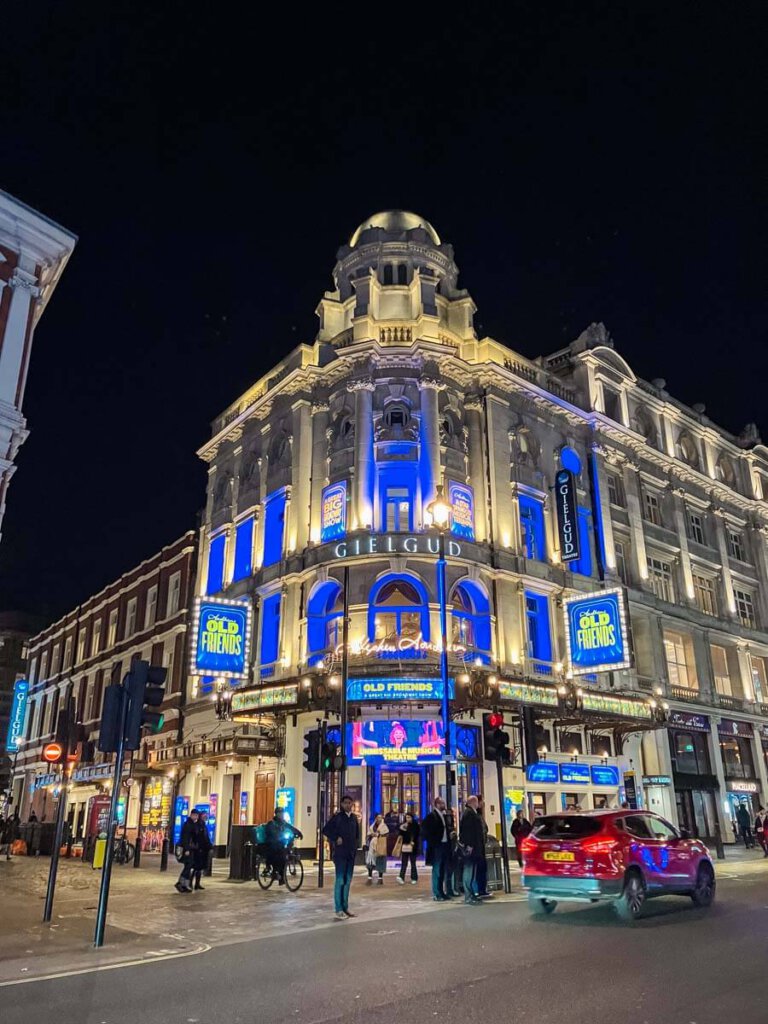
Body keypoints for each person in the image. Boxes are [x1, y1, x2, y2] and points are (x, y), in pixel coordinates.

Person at [323, 794, 361, 920]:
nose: (348, 805)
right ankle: (338, 908)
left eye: (350, 803)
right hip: (340, 854)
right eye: (345, 803)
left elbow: (357, 835)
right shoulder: (337, 817)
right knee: (340, 880)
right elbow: (326, 830)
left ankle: (345, 907)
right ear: (341, 804)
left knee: (348, 880)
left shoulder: (354, 818)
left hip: (350, 853)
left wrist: (356, 847)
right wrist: (335, 838)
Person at [422, 797, 456, 901]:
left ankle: (442, 892)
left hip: (444, 845)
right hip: (437, 846)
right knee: (437, 870)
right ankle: (437, 893)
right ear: (437, 804)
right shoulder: (431, 816)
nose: (444, 805)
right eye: (442, 803)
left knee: (442, 870)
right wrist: (433, 840)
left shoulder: (443, 816)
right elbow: (425, 831)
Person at [263, 807, 302, 885]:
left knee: (284, 857)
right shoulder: (271, 823)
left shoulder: (283, 823)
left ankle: (281, 877)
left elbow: (290, 827)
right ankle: (274, 872)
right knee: (278, 856)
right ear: (276, 814)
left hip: (280, 844)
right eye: (280, 813)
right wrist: (276, 836)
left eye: (282, 813)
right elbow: (270, 833)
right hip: (271, 844)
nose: (281, 815)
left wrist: (298, 833)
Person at [459, 796, 485, 906]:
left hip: (475, 847)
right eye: (478, 802)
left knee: (472, 870)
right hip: (471, 848)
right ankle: (468, 895)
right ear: (473, 802)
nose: (480, 803)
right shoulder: (469, 814)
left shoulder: (472, 813)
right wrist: (469, 845)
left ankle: (472, 894)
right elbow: (467, 831)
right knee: (468, 871)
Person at [175, 808, 201, 893]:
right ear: (191, 815)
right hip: (188, 849)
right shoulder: (188, 825)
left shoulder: (193, 824)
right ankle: (181, 883)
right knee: (188, 865)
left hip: (192, 849)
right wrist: (186, 849)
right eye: (195, 815)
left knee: (189, 866)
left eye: (197, 815)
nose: (196, 817)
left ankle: (184, 884)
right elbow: (185, 838)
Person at [473, 796, 491, 898]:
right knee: (479, 869)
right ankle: (479, 890)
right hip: (478, 846)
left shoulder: (479, 815)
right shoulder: (475, 815)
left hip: (481, 845)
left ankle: (482, 889)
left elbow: (485, 828)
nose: (483, 804)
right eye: (481, 802)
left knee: (482, 868)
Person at [365, 813, 390, 884]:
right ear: (375, 818)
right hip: (372, 845)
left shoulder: (384, 826)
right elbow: (368, 835)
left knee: (381, 860)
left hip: (381, 845)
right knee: (370, 861)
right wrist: (371, 835)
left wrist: (380, 835)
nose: (379, 819)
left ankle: (380, 878)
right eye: (378, 817)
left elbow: (387, 834)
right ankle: (369, 878)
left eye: (381, 817)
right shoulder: (372, 826)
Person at [397, 812, 420, 885]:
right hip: (405, 846)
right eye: (406, 817)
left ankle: (414, 878)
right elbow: (400, 835)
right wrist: (402, 829)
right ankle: (401, 877)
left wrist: (414, 842)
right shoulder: (403, 825)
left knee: (413, 863)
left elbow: (417, 834)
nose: (408, 819)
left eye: (409, 817)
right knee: (404, 862)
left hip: (413, 846)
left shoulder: (415, 825)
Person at [192, 811, 213, 890]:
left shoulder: (203, 825)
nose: (206, 817)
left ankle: (197, 884)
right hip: (199, 849)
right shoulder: (199, 826)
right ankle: (192, 883)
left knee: (199, 868)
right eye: (204, 815)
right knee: (197, 867)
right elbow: (201, 838)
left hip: (203, 849)